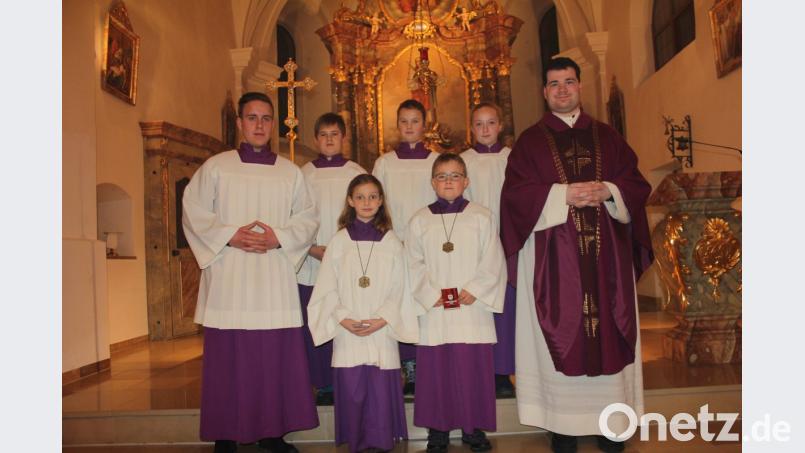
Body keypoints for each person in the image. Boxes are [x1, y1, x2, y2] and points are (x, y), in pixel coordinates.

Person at [499, 57, 653, 453]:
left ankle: (611, 425)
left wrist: (610, 191)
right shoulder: (530, 143)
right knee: (561, 330)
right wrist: (560, 195)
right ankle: (562, 427)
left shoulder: (608, 137)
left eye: (569, 82)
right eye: (554, 84)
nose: (562, 90)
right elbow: (514, 197)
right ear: (544, 91)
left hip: (607, 264)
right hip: (554, 263)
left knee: (609, 330)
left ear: (580, 86)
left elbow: (635, 183)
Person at [182, 92, 319, 453]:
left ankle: (272, 433)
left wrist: (279, 238)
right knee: (228, 362)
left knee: (274, 361)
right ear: (240, 123)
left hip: (274, 277)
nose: (259, 125)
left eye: (266, 118)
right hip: (230, 275)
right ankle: (225, 434)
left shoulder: (290, 173)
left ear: (273, 125)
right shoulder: (217, 167)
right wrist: (229, 235)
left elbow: (307, 218)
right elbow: (193, 210)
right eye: (252, 117)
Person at [307, 174, 418, 453]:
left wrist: (383, 318)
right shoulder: (339, 242)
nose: (366, 202)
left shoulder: (392, 242)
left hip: (382, 327)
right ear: (350, 201)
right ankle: (356, 442)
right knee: (353, 388)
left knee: (380, 390)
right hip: (348, 327)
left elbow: (401, 286)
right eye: (360, 197)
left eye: (372, 196)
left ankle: (381, 442)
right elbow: (326, 287)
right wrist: (343, 317)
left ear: (381, 201)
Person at [406, 153, 507, 453]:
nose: (448, 182)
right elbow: (411, 262)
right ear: (432, 182)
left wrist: (476, 288)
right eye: (442, 176)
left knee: (471, 369)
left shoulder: (482, 216)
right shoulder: (419, 220)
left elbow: (493, 258)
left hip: (471, 308)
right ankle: (438, 430)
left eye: (455, 176)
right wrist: (428, 293)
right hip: (436, 310)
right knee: (436, 373)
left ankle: (472, 428)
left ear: (466, 181)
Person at [298, 113, 367, 405]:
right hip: (311, 259)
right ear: (315, 139)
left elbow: (366, 210)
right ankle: (322, 384)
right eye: (323, 134)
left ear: (343, 138)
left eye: (334, 134)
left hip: (347, 259)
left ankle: (348, 378)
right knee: (317, 319)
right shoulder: (303, 174)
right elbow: (293, 216)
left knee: (345, 316)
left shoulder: (356, 172)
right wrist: (310, 247)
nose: (329, 139)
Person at [372, 99, 438, 394]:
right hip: (395, 243)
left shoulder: (436, 160)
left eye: (415, 121)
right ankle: (406, 367)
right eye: (404, 121)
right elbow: (375, 202)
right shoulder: (384, 163)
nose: (410, 127)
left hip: (428, 246)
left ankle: (428, 362)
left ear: (425, 125)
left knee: (425, 301)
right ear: (397, 125)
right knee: (399, 303)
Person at [461, 102, 516, 398]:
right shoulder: (463, 161)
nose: (485, 129)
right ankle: (483, 369)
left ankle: (504, 373)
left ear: (500, 126)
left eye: (490, 123)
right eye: (479, 124)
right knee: (482, 308)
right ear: (472, 128)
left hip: (510, 242)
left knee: (507, 310)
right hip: (477, 245)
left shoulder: (514, 158)